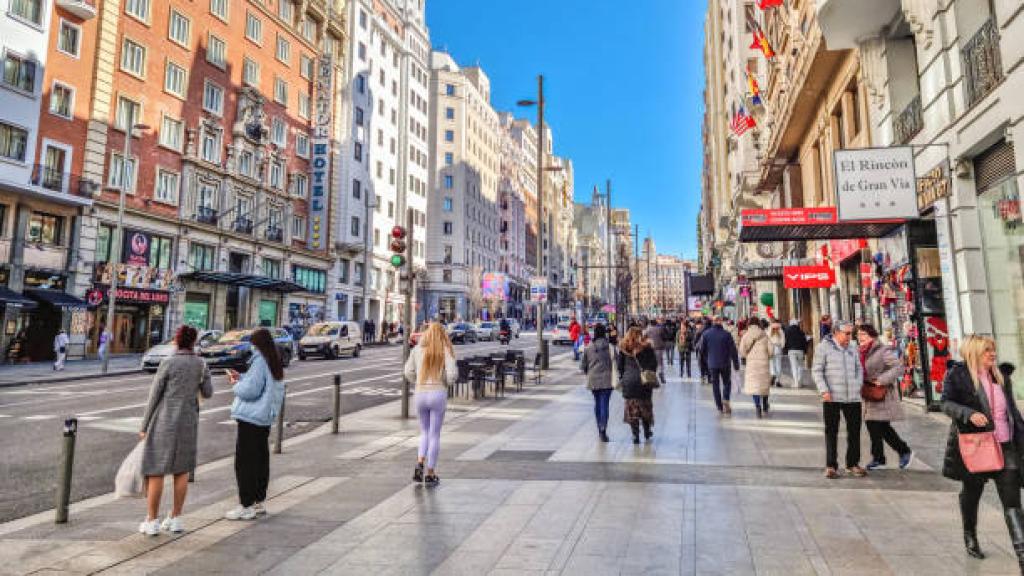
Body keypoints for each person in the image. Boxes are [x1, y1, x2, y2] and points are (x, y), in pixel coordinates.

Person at [942, 336, 1024, 567]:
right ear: (974, 352)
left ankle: (1022, 556)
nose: (993, 354)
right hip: (976, 446)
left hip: (1005, 446)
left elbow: (1011, 411)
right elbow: (945, 403)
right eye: (987, 350)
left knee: (1012, 504)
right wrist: (968, 414)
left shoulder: (1001, 376)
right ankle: (970, 535)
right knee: (972, 493)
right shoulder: (958, 375)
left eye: (993, 350)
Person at [137, 325, 213, 535]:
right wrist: (204, 377)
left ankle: (152, 520)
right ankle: (176, 518)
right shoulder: (201, 364)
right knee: (182, 471)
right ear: (194, 342)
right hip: (188, 422)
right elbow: (208, 392)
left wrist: (144, 426)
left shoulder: (168, 362)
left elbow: (154, 396)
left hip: (164, 421)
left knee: (156, 470)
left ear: (177, 341)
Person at [224, 328, 286, 521]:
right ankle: (258, 501)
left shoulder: (259, 361)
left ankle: (246, 505)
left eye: (252, 343)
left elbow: (251, 390)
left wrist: (235, 383)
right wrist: (243, 378)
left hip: (251, 418)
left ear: (257, 344)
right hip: (264, 418)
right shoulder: (273, 360)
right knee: (260, 460)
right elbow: (262, 384)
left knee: (245, 462)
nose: (251, 347)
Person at [404, 322, 457, 486]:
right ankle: (430, 473)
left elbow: (408, 372)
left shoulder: (417, 349)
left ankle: (420, 462)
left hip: (420, 393)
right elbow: (452, 375)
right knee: (435, 434)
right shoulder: (445, 350)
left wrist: (418, 381)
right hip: (437, 393)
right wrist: (445, 381)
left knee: (424, 432)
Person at [812, 321, 866, 479]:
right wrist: (824, 390)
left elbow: (859, 368)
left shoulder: (853, 347)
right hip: (831, 396)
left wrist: (858, 385)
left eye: (851, 333)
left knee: (854, 431)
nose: (850, 337)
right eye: (847, 333)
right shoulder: (823, 347)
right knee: (831, 431)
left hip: (852, 396)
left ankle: (852, 464)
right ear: (836, 332)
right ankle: (831, 466)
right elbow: (817, 371)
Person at [858, 324, 914, 471]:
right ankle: (881, 457)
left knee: (880, 426)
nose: (860, 337)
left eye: (863, 334)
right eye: (858, 334)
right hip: (868, 393)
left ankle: (901, 451)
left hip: (882, 394)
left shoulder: (883, 351)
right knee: (875, 425)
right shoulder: (860, 352)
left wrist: (881, 380)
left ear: (872, 336)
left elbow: (899, 367)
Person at [617, 326, 656, 444]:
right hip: (644, 381)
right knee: (645, 406)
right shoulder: (647, 348)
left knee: (631, 408)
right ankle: (647, 431)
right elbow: (654, 364)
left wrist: (624, 377)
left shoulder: (623, 349)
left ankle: (635, 435)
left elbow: (620, 367)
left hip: (629, 382)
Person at [581, 324, 614, 443]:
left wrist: (589, 372)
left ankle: (599, 428)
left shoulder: (589, 347)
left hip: (593, 379)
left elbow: (583, 366)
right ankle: (603, 429)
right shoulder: (609, 347)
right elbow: (616, 362)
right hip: (607, 379)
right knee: (604, 404)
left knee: (597, 403)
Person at [701, 317, 740, 414]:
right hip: (725, 363)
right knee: (727, 382)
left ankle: (719, 406)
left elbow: (702, 350)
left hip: (712, 364)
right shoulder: (726, 334)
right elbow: (733, 350)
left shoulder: (706, 334)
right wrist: (736, 364)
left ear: (713, 322)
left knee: (715, 385)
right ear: (721, 322)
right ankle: (726, 398)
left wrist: (706, 361)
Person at [740, 319, 773, 418]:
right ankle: (765, 404)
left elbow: (742, 351)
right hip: (763, 363)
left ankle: (758, 406)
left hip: (752, 364)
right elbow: (771, 351)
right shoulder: (764, 335)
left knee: (754, 387)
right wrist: (767, 356)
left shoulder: (746, 336)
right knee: (764, 385)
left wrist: (747, 356)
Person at [782, 319, 808, 388]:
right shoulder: (801, 332)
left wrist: (785, 350)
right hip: (800, 350)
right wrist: (805, 351)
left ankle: (796, 382)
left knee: (794, 366)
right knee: (800, 366)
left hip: (791, 350)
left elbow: (785, 341)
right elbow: (804, 342)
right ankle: (800, 382)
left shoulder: (787, 331)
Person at [644, 319, 668, 384]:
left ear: (650, 324)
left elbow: (643, 337)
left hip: (651, 348)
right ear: (656, 323)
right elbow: (664, 337)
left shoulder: (648, 330)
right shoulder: (660, 329)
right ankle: (660, 373)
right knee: (660, 362)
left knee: (652, 363)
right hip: (659, 348)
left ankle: (654, 377)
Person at [767, 320, 785, 388]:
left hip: (771, 348)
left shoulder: (769, 330)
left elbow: (767, 339)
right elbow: (783, 341)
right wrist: (782, 346)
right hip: (778, 348)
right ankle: (778, 381)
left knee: (771, 364)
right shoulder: (780, 330)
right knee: (778, 365)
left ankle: (773, 374)